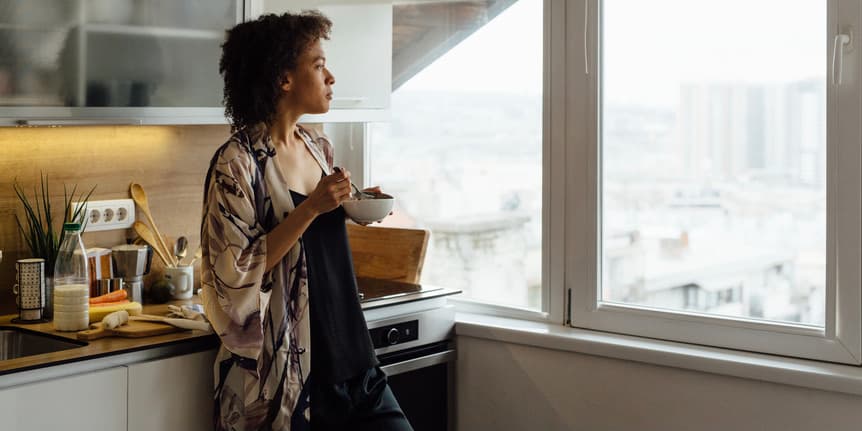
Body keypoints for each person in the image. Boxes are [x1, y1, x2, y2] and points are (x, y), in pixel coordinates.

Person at [200, 11, 413, 431]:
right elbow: (232, 275)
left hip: (354, 355)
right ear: (284, 79)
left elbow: (315, 235)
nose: (330, 76)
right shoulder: (237, 164)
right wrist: (312, 207)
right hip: (291, 373)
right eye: (318, 65)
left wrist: (352, 203)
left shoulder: (318, 147)